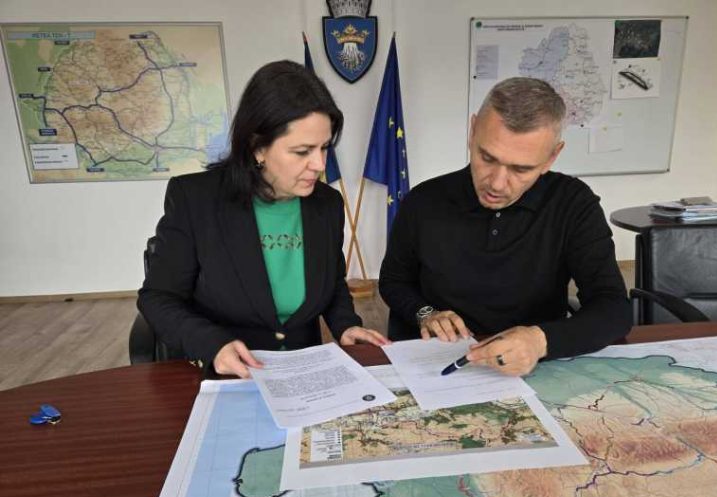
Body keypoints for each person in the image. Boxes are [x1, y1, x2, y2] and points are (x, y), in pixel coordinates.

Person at [138, 60, 388, 378]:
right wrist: (212, 344)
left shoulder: (327, 204)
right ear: (257, 147)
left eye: (324, 148)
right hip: (225, 373)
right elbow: (158, 297)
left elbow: (332, 282)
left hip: (302, 373)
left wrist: (346, 325)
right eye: (302, 151)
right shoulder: (196, 199)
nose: (319, 164)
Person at [379, 77, 632, 376]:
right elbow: (394, 280)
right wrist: (425, 313)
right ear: (472, 131)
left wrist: (540, 341)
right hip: (439, 361)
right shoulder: (423, 201)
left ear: (552, 157)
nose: (497, 184)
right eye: (487, 158)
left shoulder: (573, 203)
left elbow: (614, 308)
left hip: (533, 368)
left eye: (521, 169)